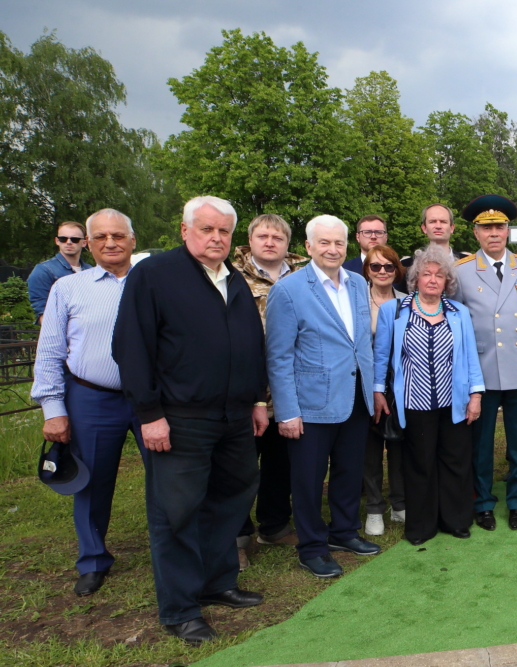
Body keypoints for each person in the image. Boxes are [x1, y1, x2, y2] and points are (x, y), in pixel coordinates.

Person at [112, 196, 267, 645]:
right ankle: (180, 608)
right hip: (180, 418)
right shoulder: (155, 275)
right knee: (175, 512)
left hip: (235, 416)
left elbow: (250, 344)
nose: (216, 238)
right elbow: (131, 347)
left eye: (223, 231)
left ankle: (218, 582)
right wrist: (150, 414)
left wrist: (257, 400)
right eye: (206, 229)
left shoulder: (233, 278)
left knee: (230, 499)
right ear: (185, 231)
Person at [32, 209, 141, 598]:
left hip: (150, 399)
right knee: (92, 482)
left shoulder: (151, 283)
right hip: (92, 396)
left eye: (118, 235)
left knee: (169, 476)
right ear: (88, 244)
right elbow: (49, 352)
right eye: (100, 237)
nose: (110, 243)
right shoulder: (67, 288)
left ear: (132, 240)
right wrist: (53, 409)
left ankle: (176, 548)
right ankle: (93, 560)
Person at [266, 215, 380, 580]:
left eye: (339, 243)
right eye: (325, 243)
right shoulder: (289, 290)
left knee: (349, 473)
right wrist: (286, 411)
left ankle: (344, 532)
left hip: (355, 397)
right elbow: (279, 356)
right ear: (310, 246)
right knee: (308, 480)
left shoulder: (358, 283)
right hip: (311, 403)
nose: (333, 249)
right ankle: (312, 547)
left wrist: (374, 389)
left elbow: (362, 342)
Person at [374, 248, 484, 545]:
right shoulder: (394, 311)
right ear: (415, 278)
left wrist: (475, 395)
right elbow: (381, 356)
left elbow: (470, 357)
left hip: (454, 401)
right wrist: (377, 391)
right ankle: (422, 526)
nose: (433, 279)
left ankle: (456, 520)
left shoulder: (458, 313)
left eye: (439, 275)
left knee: (455, 461)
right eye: (427, 274)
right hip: (413, 402)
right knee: (420, 464)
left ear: (447, 281)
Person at [452, 194, 517, 532]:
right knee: (482, 446)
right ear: (475, 232)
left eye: (499, 226)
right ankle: (483, 503)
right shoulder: (461, 272)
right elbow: (457, 327)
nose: (493, 233)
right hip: (482, 372)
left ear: (508, 231)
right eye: (486, 227)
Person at [231, 214, 308, 568]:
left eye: (278, 237)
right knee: (241, 463)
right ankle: (237, 534)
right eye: (263, 236)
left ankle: (274, 525)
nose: (270, 242)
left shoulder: (304, 277)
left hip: (292, 384)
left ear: (287, 243)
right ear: (250, 239)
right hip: (247, 382)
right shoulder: (230, 276)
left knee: (282, 460)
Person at [361, 244, 406, 537]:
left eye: (388, 266)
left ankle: (400, 503)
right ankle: (374, 509)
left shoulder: (406, 302)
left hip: (401, 384)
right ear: (367, 270)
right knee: (370, 451)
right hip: (363, 385)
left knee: (401, 447)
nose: (382, 271)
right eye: (376, 266)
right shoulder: (354, 301)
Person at [28, 221, 92, 322]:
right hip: (62, 332)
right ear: (57, 241)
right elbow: (42, 311)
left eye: (74, 239)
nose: (68, 242)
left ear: (84, 242)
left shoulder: (91, 271)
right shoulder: (43, 270)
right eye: (63, 239)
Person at [400, 203, 472, 292]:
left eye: (443, 222)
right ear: (424, 228)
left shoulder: (469, 263)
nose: (438, 226)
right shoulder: (406, 266)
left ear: (452, 228)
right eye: (432, 221)